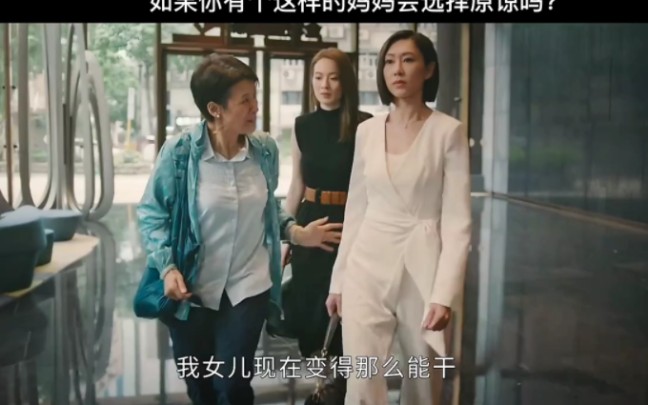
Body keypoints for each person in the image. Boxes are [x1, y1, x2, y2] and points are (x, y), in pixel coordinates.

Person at [136, 54, 342, 405]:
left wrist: (297, 233)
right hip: (192, 290)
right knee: (200, 384)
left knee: (232, 384)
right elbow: (152, 214)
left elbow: (267, 207)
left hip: (248, 286)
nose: (255, 107)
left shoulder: (264, 150)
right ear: (215, 109)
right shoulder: (180, 153)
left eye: (255, 97)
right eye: (245, 100)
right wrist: (168, 268)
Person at [325, 30, 472, 404]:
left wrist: (444, 295)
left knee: (422, 377)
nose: (397, 70)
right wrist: (338, 281)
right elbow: (356, 210)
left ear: (429, 69)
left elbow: (458, 223)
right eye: (389, 61)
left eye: (408, 60)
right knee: (362, 377)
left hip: (421, 266)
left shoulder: (448, 132)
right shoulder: (367, 131)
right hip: (366, 262)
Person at [282, 47, 372, 397]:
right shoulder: (302, 126)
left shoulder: (365, 125)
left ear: (345, 82)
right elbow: (296, 185)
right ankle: (325, 379)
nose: (325, 85)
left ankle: (343, 380)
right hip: (311, 223)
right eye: (318, 78)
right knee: (312, 302)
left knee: (349, 303)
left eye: (333, 78)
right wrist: (290, 236)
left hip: (351, 222)